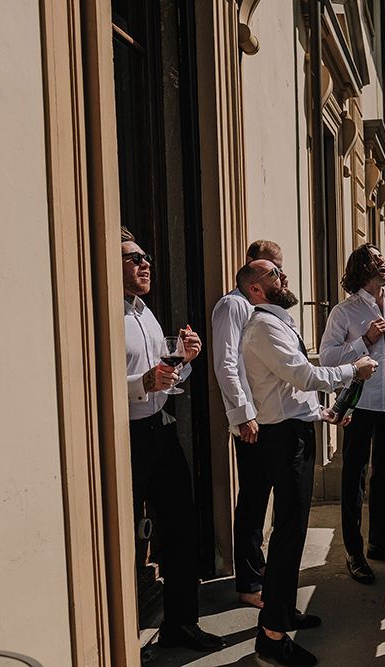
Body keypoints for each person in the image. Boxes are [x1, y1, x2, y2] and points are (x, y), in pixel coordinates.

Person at [240, 260, 377, 666]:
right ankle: (271, 636)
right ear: (256, 289)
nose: (283, 276)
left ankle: (283, 612)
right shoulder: (263, 326)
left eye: (281, 271)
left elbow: (285, 390)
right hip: (282, 441)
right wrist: (354, 369)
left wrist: (322, 414)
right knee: (288, 532)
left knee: (292, 530)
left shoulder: (279, 322)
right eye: (273, 274)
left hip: (293, 429)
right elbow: (301, 376)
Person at [121, 227, 226, 653]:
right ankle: (122, 636)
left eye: (145, 256)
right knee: (124, 536)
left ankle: (180, 625)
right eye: (134, 258)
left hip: (159, 429)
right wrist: (143, 381)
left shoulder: (145, 312)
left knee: (182, 527)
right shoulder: (102, 314)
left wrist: (183, 360)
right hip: (124, 438)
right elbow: (94, 381)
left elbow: (161, 381)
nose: (146, 263)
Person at [319, 244, 385, 584]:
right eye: (378, 261)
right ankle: (354, 552)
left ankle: (380, 542)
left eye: (384, 260)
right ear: (363, 269)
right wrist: (366, 339)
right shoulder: (344, 312)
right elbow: (328, 357)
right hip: (361, 402)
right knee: (354, 477)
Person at [211, 240, 283, 609]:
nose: (280, 276)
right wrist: (243, 415)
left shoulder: (256, 308)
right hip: (250, 421)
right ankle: (249, 583)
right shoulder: (232, 305)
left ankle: (258, 573)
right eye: (274, 269)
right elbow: (226, 364)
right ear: (254, 270)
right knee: (252, 501)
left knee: (259, 498)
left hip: (263, 417)